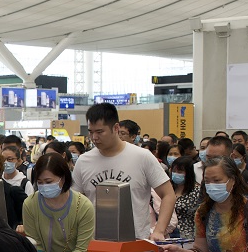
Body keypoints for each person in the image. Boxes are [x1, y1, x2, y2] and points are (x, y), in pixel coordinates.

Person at [72, 103, 176, 241]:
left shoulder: (142, 157)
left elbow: (168, 195)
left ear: (115, 128)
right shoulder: (84, 161)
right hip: (95, 242)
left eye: (100, 132)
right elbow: (75, 202)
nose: (94, 137)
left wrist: (159, 230)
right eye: (91, 132)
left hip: (135, 241)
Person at [22, 153, 95, 252]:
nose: (44, 186)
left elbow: (82, 250)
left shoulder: (83, 206)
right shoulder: (30, 204)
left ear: (63, 179)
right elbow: (36, 243)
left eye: (49, 181)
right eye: (40, 182)